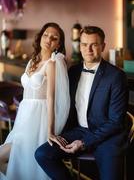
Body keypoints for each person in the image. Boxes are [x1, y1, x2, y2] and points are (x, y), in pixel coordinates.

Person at [35, 26, 129, 180]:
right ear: (80, 46)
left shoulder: (116, 76)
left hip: (107, 136)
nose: (89, 49)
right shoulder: (73, 71)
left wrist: (85, 142)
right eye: (84, 44)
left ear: (103, 46)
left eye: (94, 45)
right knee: (43, 154)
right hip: (79, 131)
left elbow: (116, 122)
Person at [0, 22, 70, 180]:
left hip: (38, 120)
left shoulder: (52, 64)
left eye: (54, 38)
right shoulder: (32, 62)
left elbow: (51, 98)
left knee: (25, 161)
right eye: (46, 35)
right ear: (40, 37)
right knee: (17, 162)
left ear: (58, 44)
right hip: (24, 118)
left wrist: (50, 130)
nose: (48, 39)